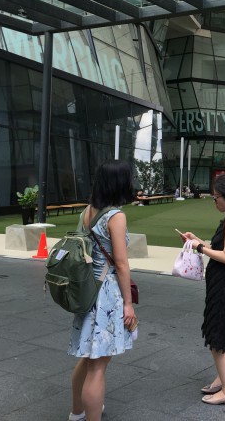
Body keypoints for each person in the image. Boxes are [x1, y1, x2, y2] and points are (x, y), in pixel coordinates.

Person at [67, 160, 138, 421]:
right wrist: (128, 304)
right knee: (98, 365)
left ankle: (77, 411)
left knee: (88, 357)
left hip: (87, 289)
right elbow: (121, 263)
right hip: (106, 292)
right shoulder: (115, 216)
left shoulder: (88, 210)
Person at [181, 173, 225, 407]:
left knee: (217, 335)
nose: (214, 202)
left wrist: (199, 248)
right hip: (224, 283)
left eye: (216, 197)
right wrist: (196, 240)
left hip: (224, 285)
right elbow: (219, 248)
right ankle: (222, 378)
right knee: (219, 331)